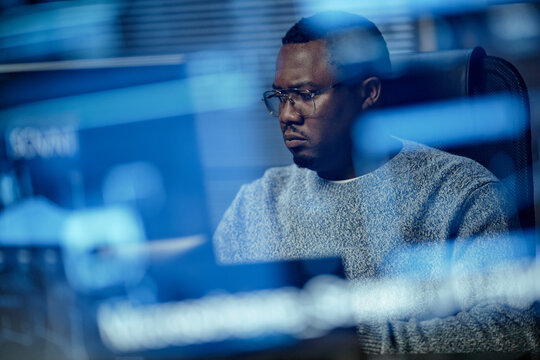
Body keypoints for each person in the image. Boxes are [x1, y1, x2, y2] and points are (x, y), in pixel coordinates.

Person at [213, 11, 538, 353]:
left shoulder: (458, 192)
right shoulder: (259, 202)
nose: (286, 115)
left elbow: (512, 332)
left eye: (306, 94)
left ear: (368, 93)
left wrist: (355, 342)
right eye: (280, 96)